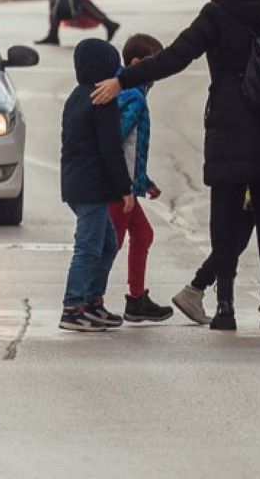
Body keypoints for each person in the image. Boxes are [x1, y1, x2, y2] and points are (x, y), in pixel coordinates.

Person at [92, 0, 260, 331]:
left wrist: (122, 79)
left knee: (226, 219)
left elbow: (174, 57)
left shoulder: (217, 14)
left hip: (230, 131)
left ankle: (225, 309)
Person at [60, 39, 135, 332]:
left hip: (78, 184)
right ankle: (73, 306)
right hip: (91, 187)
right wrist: (125, 189)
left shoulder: (77, 96)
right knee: (89, 247)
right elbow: (110, 149)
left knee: (107, 243)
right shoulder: (102, 100)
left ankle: (93, 301)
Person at [112, 34, 174, 323]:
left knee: (143, 234)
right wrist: (125, 184)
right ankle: (89, 300)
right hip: (119, 188)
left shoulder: (126, 92)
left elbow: (129, 148)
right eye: (155, 68)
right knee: (109, 243)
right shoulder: (134, 97)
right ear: (137, 64)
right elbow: (117, 142)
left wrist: (144, 180)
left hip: (127, 185)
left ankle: (136, 299)